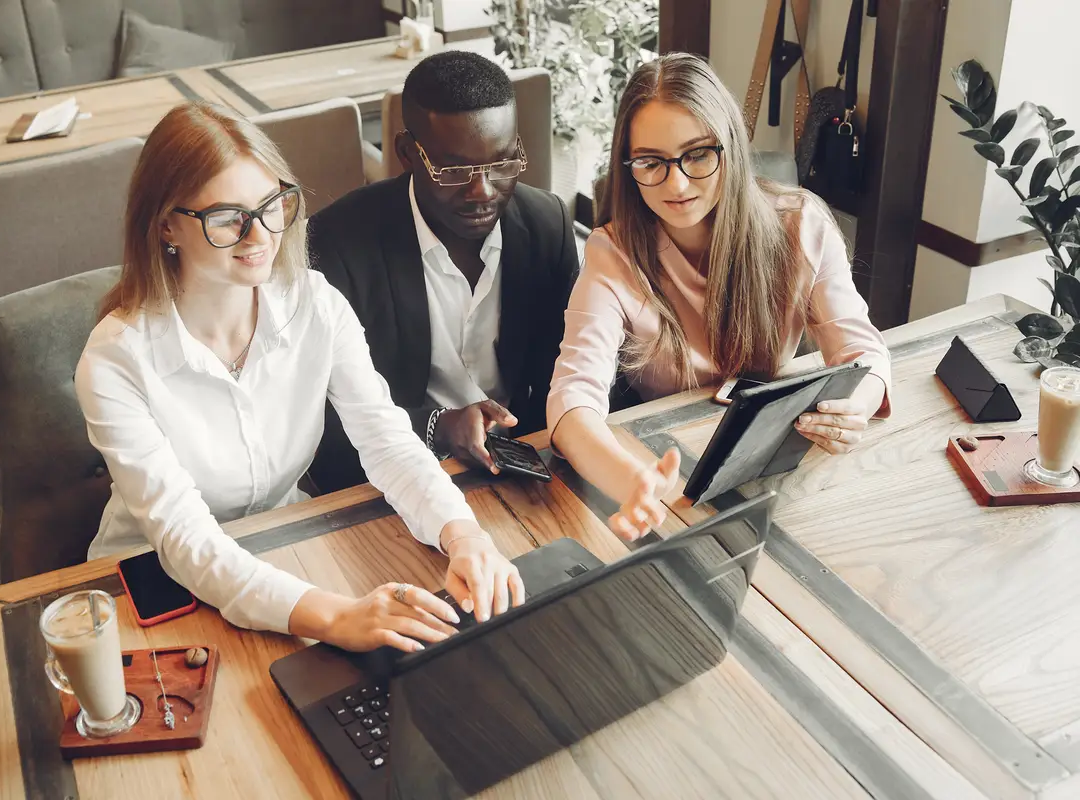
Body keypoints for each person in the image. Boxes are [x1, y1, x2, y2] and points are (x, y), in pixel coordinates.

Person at [75, 101, 523, 654]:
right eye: (226, 218)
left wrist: (465, 535)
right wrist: (337, 618)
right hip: (153, 585)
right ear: (166, 225)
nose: (259, 234)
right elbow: (184, 538)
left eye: (271, 205)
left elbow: (387, 443)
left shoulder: (316, 303)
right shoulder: (116, 358)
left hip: (283, 550)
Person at [548, 54, 892, 542]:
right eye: (651, 162)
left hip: (777, 466)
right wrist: (631, 481)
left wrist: (857, 404)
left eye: (698, 154)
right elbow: (571, 400)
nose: (677, 183)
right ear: (628, 167)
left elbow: (864, 352)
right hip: (674, 480)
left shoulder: (800, 223)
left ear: (729, 145)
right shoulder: (613, 251)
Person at [307, 50, 579, 493]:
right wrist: (438, 427)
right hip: (395, 475)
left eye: (501, 163)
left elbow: (564, 366)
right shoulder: (337, 244)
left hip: (524, 466)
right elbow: (321, 412)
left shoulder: (546, 223)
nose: (482, 190)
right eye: (454, 169)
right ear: (408, 154)